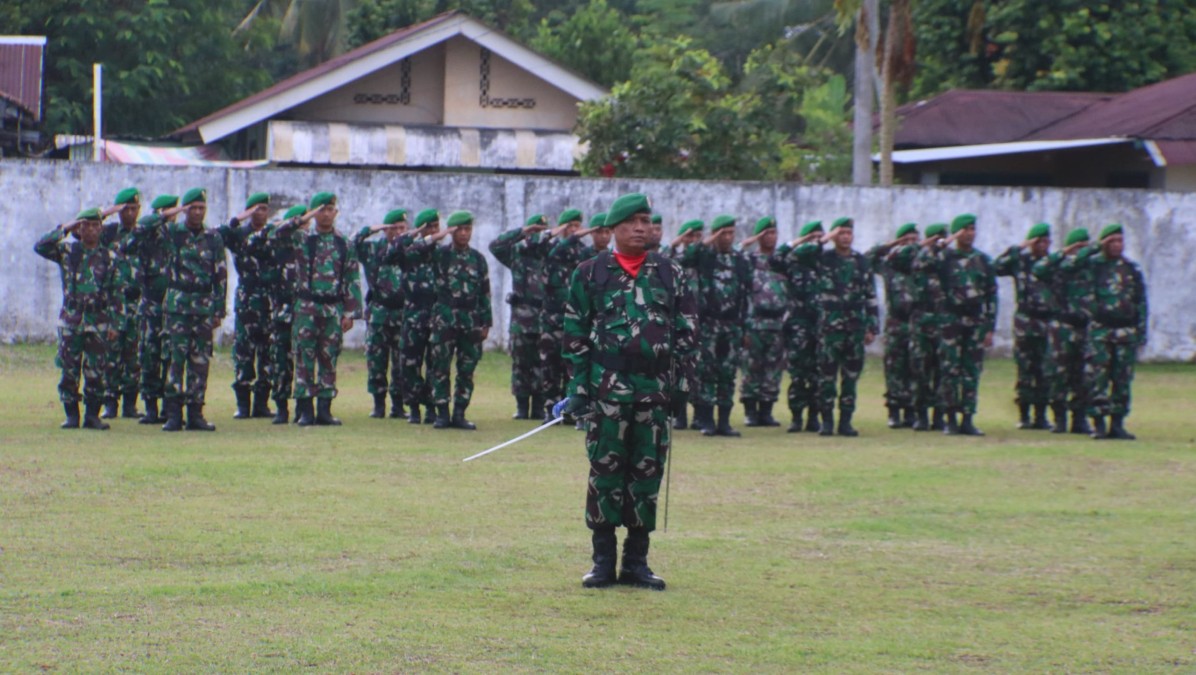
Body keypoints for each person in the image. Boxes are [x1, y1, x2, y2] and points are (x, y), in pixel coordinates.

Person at [561, 192, 697, 590]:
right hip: (607, 391)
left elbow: (687, 333)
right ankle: (602, 561)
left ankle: (637, 562)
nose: (642, 228)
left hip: (654, 391)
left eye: (646, 220)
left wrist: (682, 387)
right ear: (614, 228)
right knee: (604, 475)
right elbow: (574, 335)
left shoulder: (670, 272)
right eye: (632, 221)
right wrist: (579, 389)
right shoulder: (590, 273)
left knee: (646, 475)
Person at [276, 192, 363, 426]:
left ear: (336, 212)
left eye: (330, 209)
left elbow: (352, 277)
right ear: (313, 213)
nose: (326, 214)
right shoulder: (302, 239)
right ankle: (305, 410)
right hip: (307, 307)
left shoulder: (344, 243)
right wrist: (303, 217)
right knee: (304, 357)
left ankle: (325, 409)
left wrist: (350, 312)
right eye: (321, 210)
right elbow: (278, 233)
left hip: (332, 309)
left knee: (329, 358)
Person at [146, 188, 228, 432]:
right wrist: (169, 214)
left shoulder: (213, 238)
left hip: (202, 306)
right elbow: (144, 228)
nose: (198, 212)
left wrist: (218, 310)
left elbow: (221, 273)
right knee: (175, 359)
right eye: (192, 208)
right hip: (178, 307)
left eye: (201, 208)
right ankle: (173, 414)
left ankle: (195, 413)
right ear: (185, 210)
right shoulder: (172, 233)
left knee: (200, 361)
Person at [34, 208, 122, 430]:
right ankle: (71, 415)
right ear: (79, 229)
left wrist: (116, 324)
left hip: (98, 320)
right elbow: (41, 246)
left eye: (95, 225)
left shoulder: (109, 257)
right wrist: (64, 228)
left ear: (101, 229)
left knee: (96, 371)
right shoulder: (67, 251)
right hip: (72, 320)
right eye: (86, 226)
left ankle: (92, 415)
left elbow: (117, 292)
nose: (91, 230)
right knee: (69, 369)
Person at [789, 217, 878, 437]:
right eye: (841, 233)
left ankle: (845, 421)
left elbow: (870, 295)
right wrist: (823, 240)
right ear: (834, 236)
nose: (845, 237)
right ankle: (826, 421)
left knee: (850, 377)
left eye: (848, 233)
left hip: (855, 327)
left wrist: (872, 327)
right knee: (826, 377)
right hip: (829, 328)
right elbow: (796, 255)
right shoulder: (822, 258)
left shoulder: (861, 261)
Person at [407, 210, 492, 429]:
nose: (464, 234)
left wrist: (486, 322)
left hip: (470, 320)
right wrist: (438, 235)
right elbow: (412, 250)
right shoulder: (440, 254)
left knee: (467, 368)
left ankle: (460, 413)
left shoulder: (478, 259)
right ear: (452, 231)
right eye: (460, 229)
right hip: (444, 318)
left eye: (468, 229)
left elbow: (484, 292)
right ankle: (442, 412)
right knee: (439, 367)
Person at [917, 213, 997, 436]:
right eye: (965, 230)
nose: (970, 234)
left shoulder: (983, 260)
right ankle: (950, 417)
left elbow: (991, 294)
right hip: (950, 320)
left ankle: (968, 418)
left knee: (972, 371)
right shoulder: (944, 257)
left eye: (972, 229)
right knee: (949, 369)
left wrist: (989, 326)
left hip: (975, 321)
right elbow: (920, 263)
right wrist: (945, 242)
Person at [1068, 224, 1147, 440]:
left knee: (1122, 379)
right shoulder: (1092, 266)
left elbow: (1140, 301)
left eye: (1120, 241)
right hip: (1101, 331)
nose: (1117, 245)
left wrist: (1141, 331)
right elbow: (1070, 265)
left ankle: (1118, 423)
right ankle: (1099, 423)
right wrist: (1095, 247)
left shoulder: (1131, 269)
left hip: (1125, 331)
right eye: (1112, 241)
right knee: (1098, 378)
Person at [678, 214, 751, 437]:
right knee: (707, 372)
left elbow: (745, 295)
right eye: (723, 233)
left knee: (728, 374)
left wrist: (745, 328)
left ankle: (724, 422)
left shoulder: (740, 259)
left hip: (732, 325)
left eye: (731, 233)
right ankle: (707, 421)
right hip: (709, 324)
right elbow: (688, 255)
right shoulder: (705, 256)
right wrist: (710, 239)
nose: (728, 238)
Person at [245, 204, 308, 424]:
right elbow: (251, 244)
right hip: (282, 314)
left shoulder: (308, 247)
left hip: (306, 313)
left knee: (304, 362)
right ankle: (281, 407)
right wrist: (274, 226)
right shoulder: (274, 249)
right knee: (281, 362)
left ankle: (303, 407)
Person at [219, 193, 276, 420]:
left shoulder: (273, 234)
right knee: (244, 350)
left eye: (264, 209)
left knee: (267, 353)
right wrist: (238, 219)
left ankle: (262, 403)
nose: (260, 213)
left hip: (269, 298)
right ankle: (243, 405)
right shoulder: (239, 235)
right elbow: (219, 235)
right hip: (247, 297)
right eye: (256, 209)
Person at [994, 222, 1056, 430]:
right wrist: (1020, 247)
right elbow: (997, 267)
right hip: (1025, 321)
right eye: (1039, 241)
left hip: (1046, 321)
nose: (1043, 245)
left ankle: (1041, 415)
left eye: (1046, 241)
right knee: (1025, 368)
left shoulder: (1052, 263)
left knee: (1045, 369)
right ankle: (1024, 414)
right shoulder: (1020, 261)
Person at [1032, 228, 1094, 434]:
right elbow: (1038, 269)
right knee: (1058, 373)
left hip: (1084, 326)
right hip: (1062, 327)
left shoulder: (1092, 267)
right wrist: (1065, 252)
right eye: (1080, 246)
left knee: (1084, 374)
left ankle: (1079, 418)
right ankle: (1059, 417)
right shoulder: (1058, 267)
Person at [490, 213, 552, 420]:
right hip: (521, 319)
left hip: (544, 318)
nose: (537, 236)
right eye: (534, 231)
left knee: (543, 364)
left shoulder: (550, 253)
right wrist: (522, 232)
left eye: (540, 232)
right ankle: (522, 406)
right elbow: (496, 246)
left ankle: (539, 406)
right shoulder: (517, 254)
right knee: (521, 364)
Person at [124, 194, 179, 425]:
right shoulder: (144, 235)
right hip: (150, 306)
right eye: (168, 211)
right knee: (149, 356)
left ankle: (169, 406)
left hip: (173, 307)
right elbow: (129, 243)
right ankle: (150, 408)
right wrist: (158, 218)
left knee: (170, 357)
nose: (173, 216)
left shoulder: (176, 235)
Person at [888, 223, 949, 431]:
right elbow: (887, 257)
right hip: (911, 322)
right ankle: (912, 413)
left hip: (941, 322)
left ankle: (939, 415)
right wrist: (920, 245)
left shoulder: (946, 262)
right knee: (914, 370)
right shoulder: (910, 262)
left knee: (941, 370)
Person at [355, 209, 409, 419]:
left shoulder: (410, 249)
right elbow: (351, 244)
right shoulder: (373, 249)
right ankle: (378, 404)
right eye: (392, 228)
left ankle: (398, 405)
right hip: (379, 312)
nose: (397, 232)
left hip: (402, 313)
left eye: (401, 228)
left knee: (401, 363)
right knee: (376, 360)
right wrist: (370, 230)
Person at [771, 221, 824, 433]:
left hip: (821, 326)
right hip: (798, 325)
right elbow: (775, 258)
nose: (816, 244)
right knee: (798, 373)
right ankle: (796, 417)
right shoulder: (793, 263)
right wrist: (801, 240)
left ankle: (814, 416)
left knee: (819, 374)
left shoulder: (825, 263)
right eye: (812, 238)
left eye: (819, 238)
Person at [867, 223, 920, 428]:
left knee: (917, 369)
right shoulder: (890, 266)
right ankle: (894, 411)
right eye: (906, 241)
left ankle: (912, 412)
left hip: (918, 324)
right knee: (894, 368)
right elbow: (869, 258)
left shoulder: (923, 265)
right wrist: (893, 245)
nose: (910, 247)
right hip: (896, 323)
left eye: (914, 241)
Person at [391, 208, 441, 424]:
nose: (435, 230)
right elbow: (391, 252)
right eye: (429, 226)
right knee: (409, 363)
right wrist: (418, 234)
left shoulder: (442, 253)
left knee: (435, 363)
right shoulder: (409, 253)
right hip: (413, 315)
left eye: (436, 226)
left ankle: (431, 406)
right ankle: (413, 406)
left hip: (436, 315)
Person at [738, 216, 787, 427]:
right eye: (767, 233)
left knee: (773, 369)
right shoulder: (749, 261)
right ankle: (750, 411)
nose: (771, 237)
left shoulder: (782, 261)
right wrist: (747, 243)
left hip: (777, 324)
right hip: (754, 322)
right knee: (751, 367)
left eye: (774, 233)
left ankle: (767, 411)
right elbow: (734, 257)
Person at [99, 187, 143, 419]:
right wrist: (106, 213)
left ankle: (130, 404)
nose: (130, 213)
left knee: (133, 356)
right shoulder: (108, 233)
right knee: (111, 356)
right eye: (125, 209)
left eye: (134, 209)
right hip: (113, 305)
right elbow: (80, 230)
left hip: (137, 304)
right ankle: (110, 404)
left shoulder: (144, 233)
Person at [539, 209, 585, 422]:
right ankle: (549, 408)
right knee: (549, 366)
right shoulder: (550, 251)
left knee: (572, 366)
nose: (575, 231)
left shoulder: (583, 254)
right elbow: (547, 253)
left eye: (578, 226)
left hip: (574, 323)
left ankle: (570, 410)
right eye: (570, 226)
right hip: (551, 321)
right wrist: (564, 238)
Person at [663, 219, 704, 430]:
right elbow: (664, 255)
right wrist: (677, 241)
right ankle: (680, 415)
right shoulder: (673, 260)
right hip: (678, 324)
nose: (694, 240)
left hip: (701, 322)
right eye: (690, 236)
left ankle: (699, 414)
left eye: (697, 236)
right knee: (677, 369)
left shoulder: (704, 258)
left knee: (699, 371)